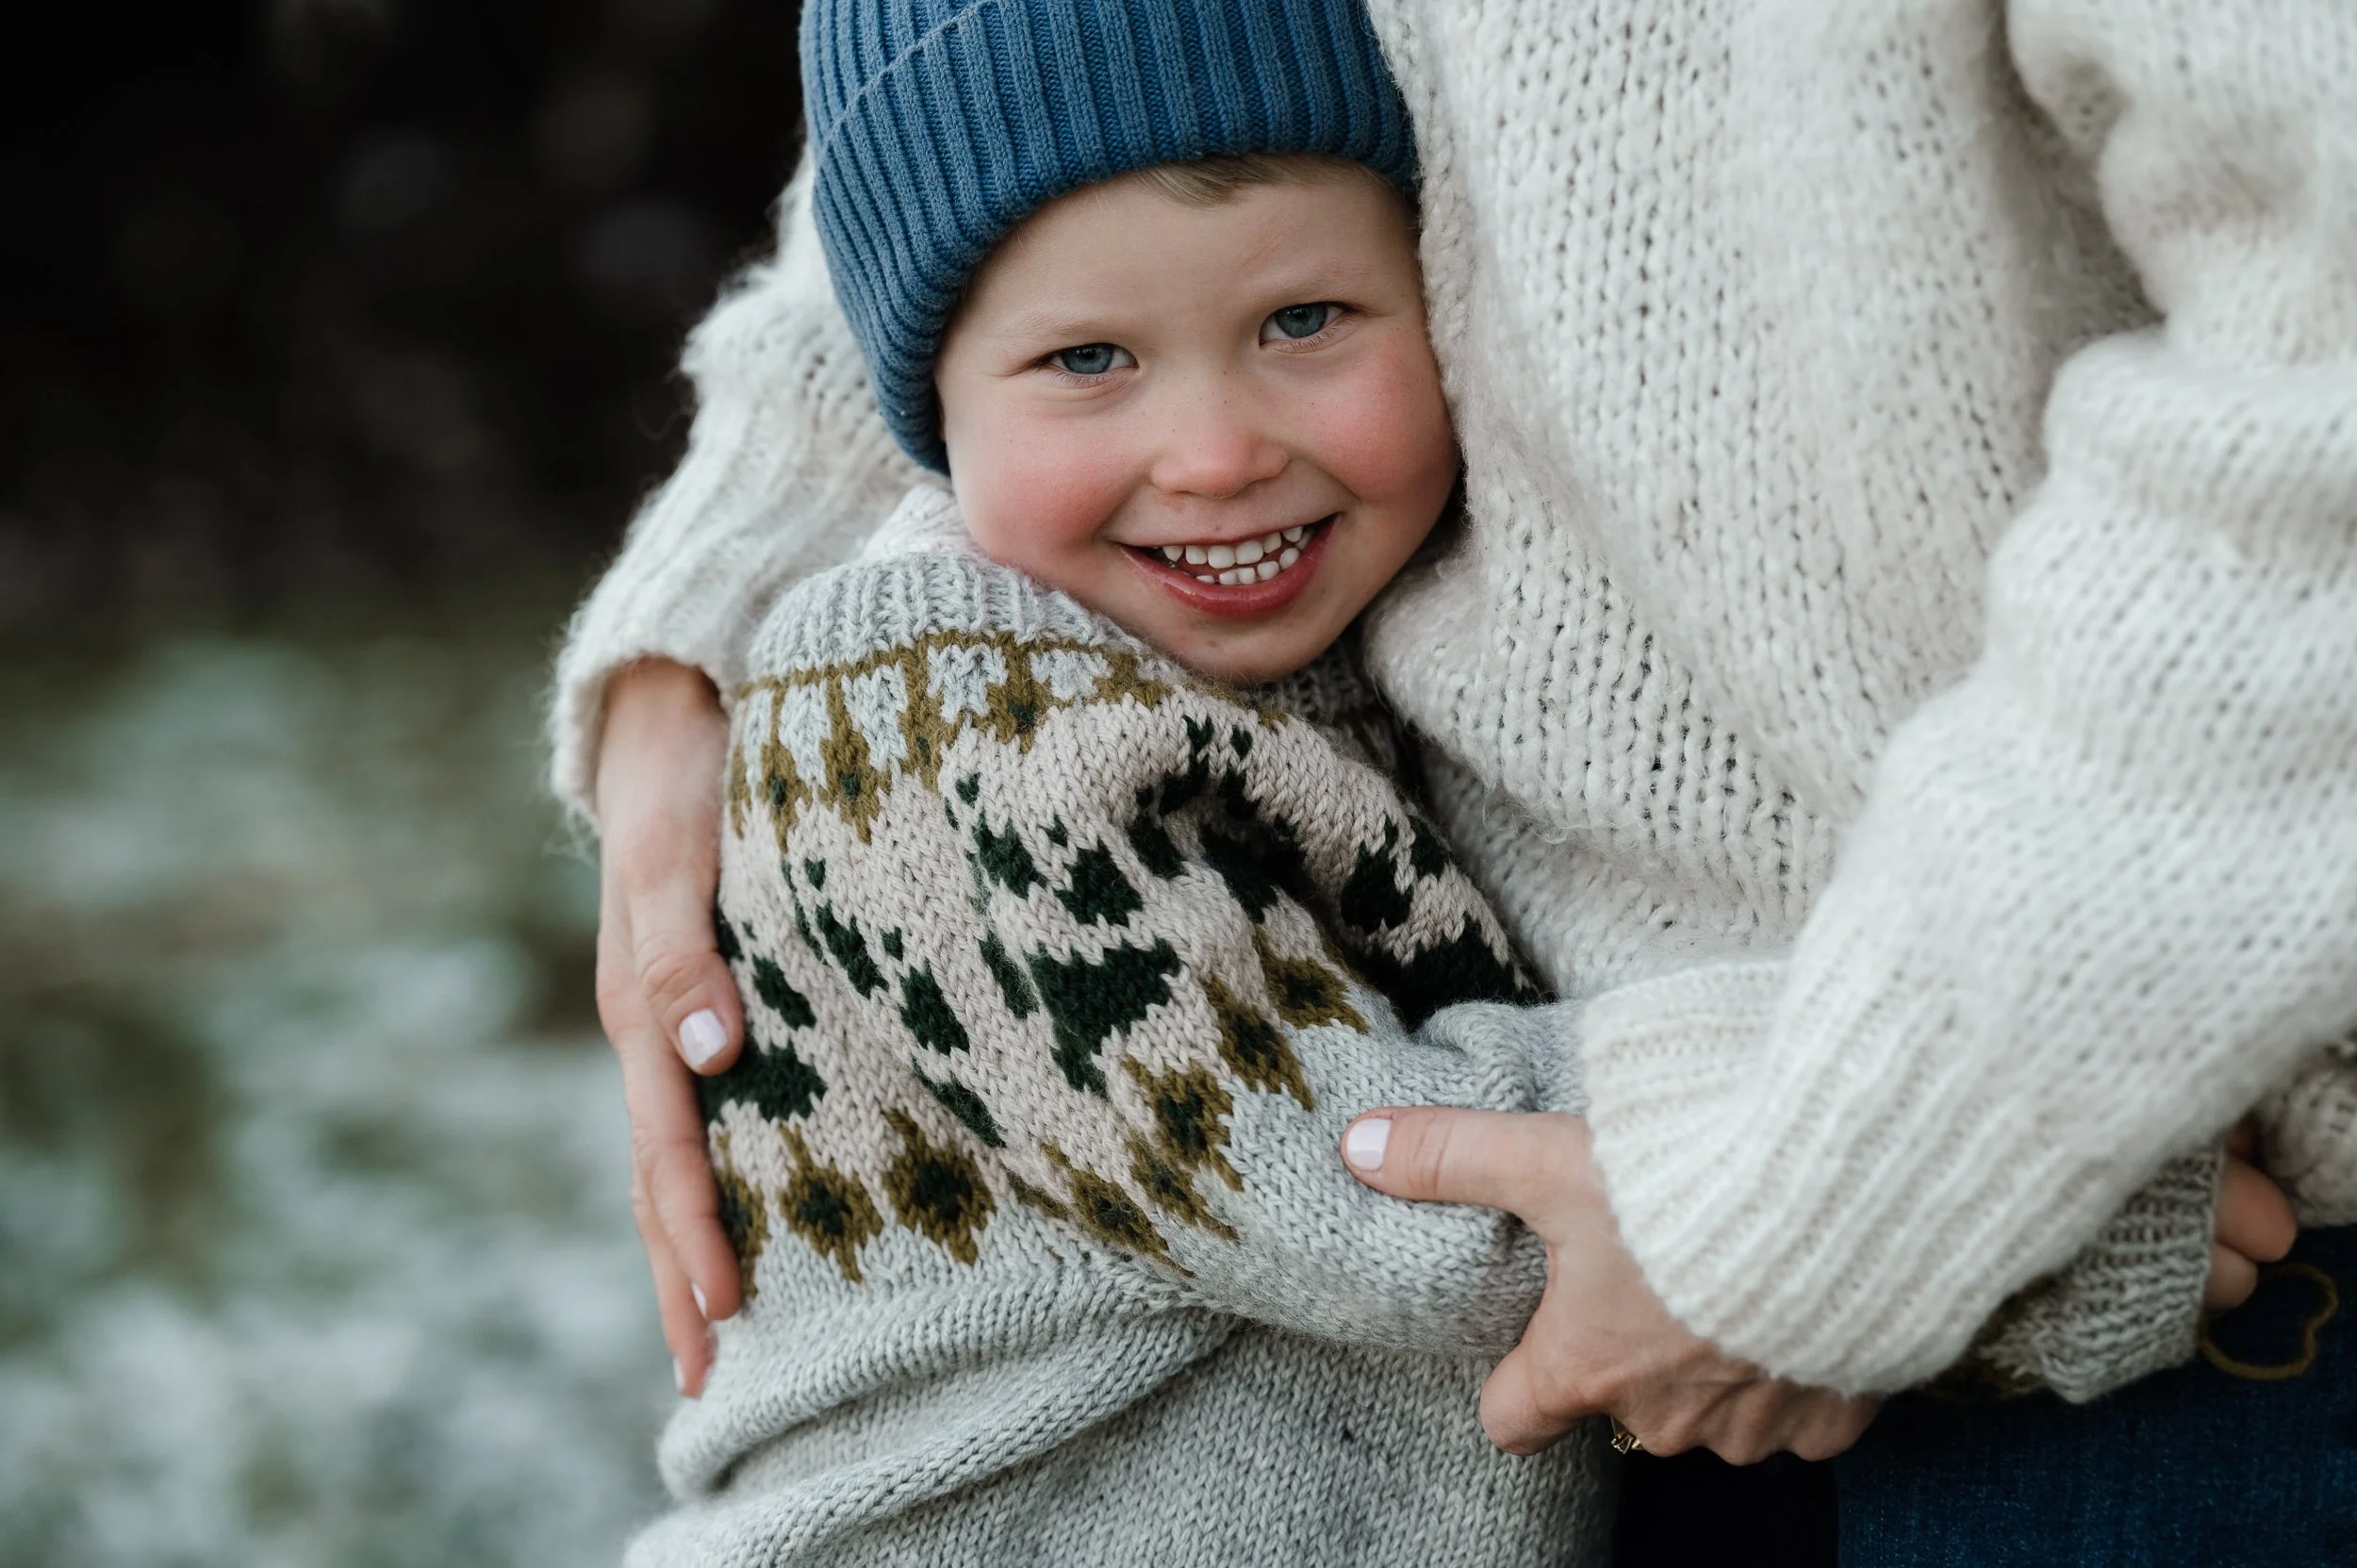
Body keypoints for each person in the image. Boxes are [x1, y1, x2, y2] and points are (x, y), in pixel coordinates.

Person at [564, 0, 2354, 1560]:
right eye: (1088, 363)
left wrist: (1917, 1137)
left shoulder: (1227, 638)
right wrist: (2022, 1220)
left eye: (1309, 322)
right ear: (925, 397)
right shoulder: (936, 718)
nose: (1213, 449)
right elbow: (1360, 1178)